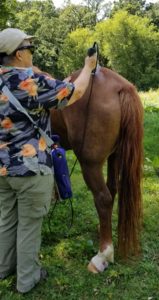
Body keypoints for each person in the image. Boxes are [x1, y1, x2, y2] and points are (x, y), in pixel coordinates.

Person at [0, 28, 97, 294]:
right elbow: (75, 93)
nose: (32, 54)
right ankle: (27, 279)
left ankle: (4, 267)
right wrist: (88, 67)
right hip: (31, 171)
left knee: (7, 220)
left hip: (3, 169)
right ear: (18, 54)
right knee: (30, 225)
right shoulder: (31, 82)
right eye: (30, 49)